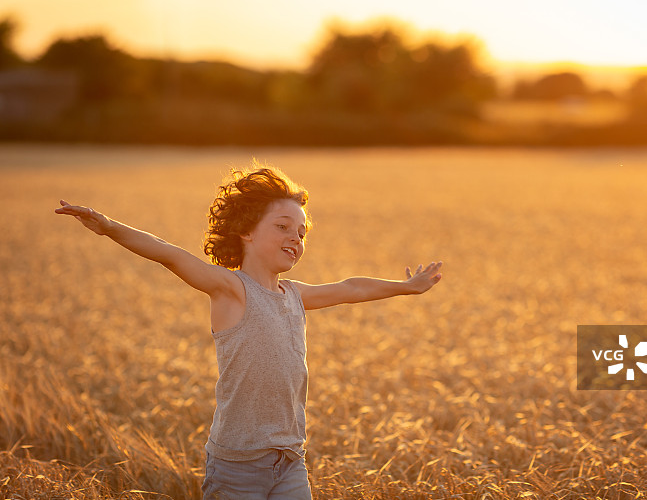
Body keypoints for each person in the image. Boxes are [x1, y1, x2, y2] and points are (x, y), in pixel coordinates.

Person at [55, 164, 443, 500]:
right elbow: (168, 252)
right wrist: (108, 227)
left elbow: (351, 287)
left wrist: (406, 286)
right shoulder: (231, 290)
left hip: (290, 461)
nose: (296, 237)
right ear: (246, 231)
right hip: (237, 469)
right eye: (283, 227)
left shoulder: (295, 295)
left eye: (302, 233)